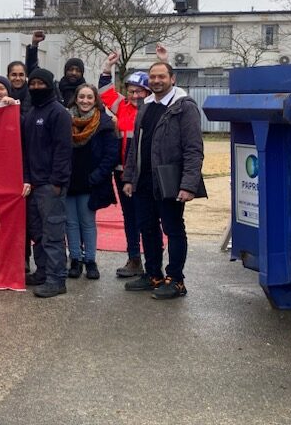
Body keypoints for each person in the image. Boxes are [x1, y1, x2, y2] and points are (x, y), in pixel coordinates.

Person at [122, 61, 205, 300]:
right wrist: (129, 177)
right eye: (153, 77)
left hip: (169, 181)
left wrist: (188, 184)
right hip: (143, 181)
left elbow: (193, 148)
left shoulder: (184, 107)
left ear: (172, 78)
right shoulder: (145, 107)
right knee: (147, 228)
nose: (156, 81)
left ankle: (176, 280)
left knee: (173, 228)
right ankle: (153, 275)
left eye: (161, 77)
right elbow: (134, 148)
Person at [97, 44, 169, 278]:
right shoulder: (122, 107)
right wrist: (108, 66)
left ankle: (153, 262)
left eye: (140, 91)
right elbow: (105, 91)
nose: (136, 95)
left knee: (149, 217)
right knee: (129, 217)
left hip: (147, 173)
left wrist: (164, 61)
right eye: (131, 91)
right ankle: (134, 259)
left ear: (149, 92)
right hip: (123, 173)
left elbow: (170, 91)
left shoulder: (156, 108)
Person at [21, 68, 73, 298]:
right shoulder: (32, 112)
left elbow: (63, 149)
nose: (35, 88)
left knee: (52, 234)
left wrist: (57, 181)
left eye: (40, 83)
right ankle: (42, 272)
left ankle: (56, 279)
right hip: (33, 185)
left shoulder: (58, 112)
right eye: (32, 84)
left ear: (50, 85)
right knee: (38, 234)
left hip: (51, 186)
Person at [64, 84, 119, 281]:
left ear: (95, 100)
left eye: (89, 97)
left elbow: (111, 154)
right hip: (69, 180)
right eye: (81, 97)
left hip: (91, 181)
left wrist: (97, 176)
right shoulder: (65, 120)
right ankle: (75, 260)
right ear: (75, 98)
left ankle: (90, 261)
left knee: (87, 222)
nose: (85, 101)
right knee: (70, 223)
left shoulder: (104, 122)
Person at [7, 30, 44, 113]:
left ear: (26, 76)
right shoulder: (3, 94)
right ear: (8, 76)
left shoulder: (33, 93)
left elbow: (32, 67)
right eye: (14, 75)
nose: (17, 78)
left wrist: (34, 45)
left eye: (21, 75)